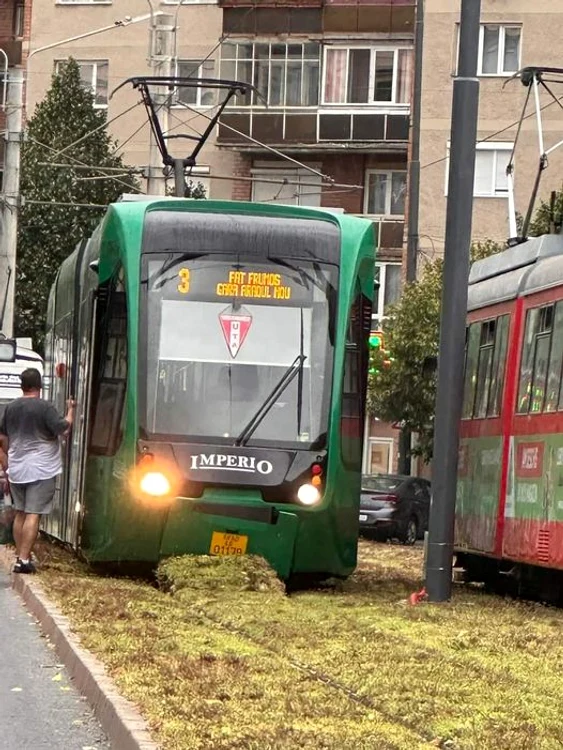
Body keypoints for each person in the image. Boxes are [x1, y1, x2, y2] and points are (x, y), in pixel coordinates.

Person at [0, 368, 75, 573]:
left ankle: (19, 556)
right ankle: (24, 560)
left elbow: (3, 438)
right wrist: (71, 410)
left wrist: (8, 461)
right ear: (39, 386)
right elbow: (64, 429)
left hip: (16, 469)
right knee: (34, 513)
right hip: (41, 470)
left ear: (22, 386)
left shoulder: (10, 408)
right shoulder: (45, 408)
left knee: (20, 513)